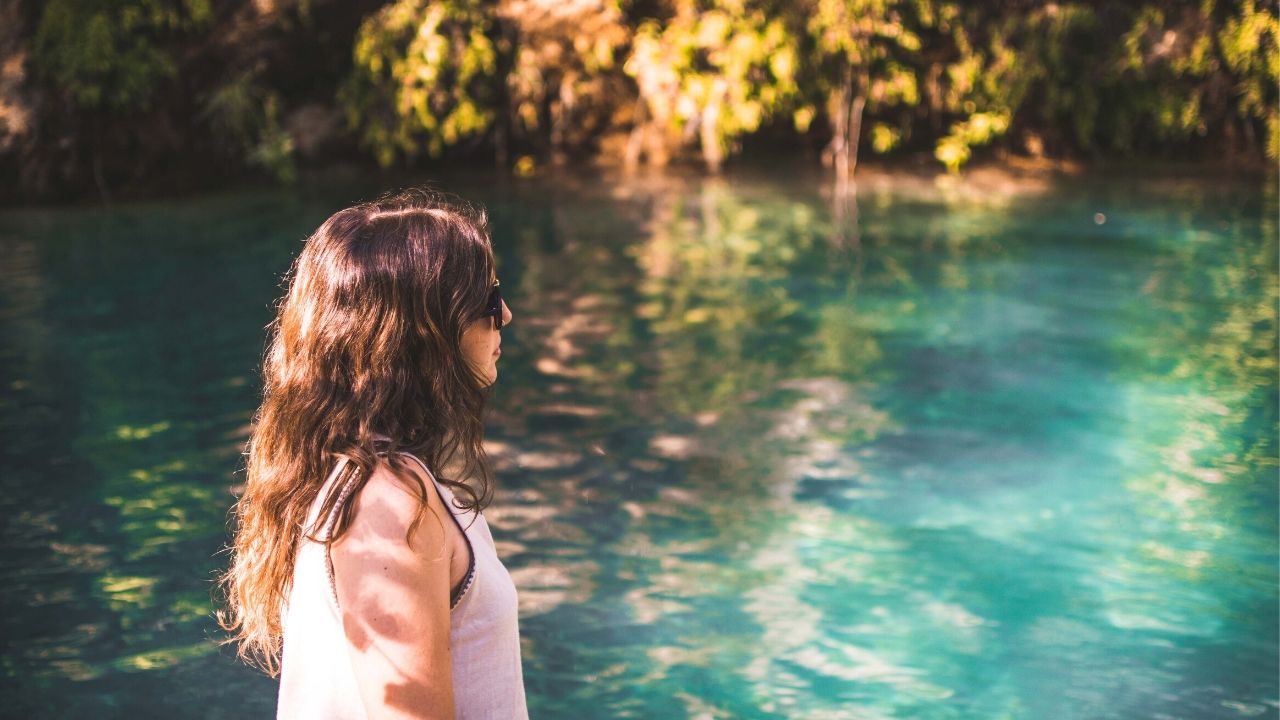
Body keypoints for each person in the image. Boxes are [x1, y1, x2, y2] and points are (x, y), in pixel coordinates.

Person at [219, 189, 527, 719]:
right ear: (422, 329)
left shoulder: (372, 484)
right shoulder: (388, 505)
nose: (505, 313)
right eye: (486, 296)